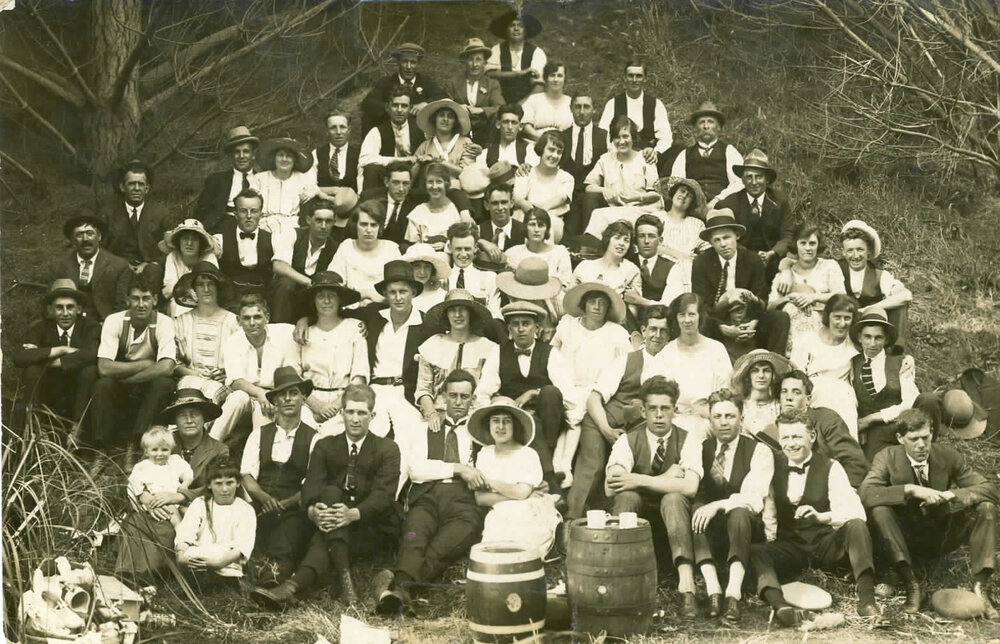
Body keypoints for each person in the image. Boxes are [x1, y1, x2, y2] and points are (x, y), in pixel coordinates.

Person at [253, 384, 401, 606]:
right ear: (342, 414)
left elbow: (384, 495)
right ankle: (343, 583)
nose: (355, 419)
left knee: (327, 535)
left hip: (369, 525)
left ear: (372, 415)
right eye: (350, 412)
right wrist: (313, 511)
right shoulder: (326, 446)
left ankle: (294, 585)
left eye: (362, 413)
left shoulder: (387, 448)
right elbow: (312, 485)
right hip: (330, 521)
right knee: (330, 494)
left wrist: (352, 514)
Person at [860, 408, 1000, 617]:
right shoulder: (887, 457)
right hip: (904, 537)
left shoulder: (947, 455)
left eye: (925, 437)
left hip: (941, 533)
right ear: (900, 438)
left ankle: (981, 587)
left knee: (986, 506)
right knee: (879, 510)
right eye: (913, 439)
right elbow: (866, 494)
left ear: (932, 433)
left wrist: (951, 496)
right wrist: (910, 490)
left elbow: (989, 488)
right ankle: (911, 585)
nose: (921, 445)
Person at [376, 369, 487, 615]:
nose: (458, 402)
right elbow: (416, 469)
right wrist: (459, 468)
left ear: (473, 399)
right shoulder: (425, 428)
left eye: (465, 397)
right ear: (442, 397)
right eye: (453, 395)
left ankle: (398, 587)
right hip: (427, 496)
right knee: (415, 534)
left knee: (444, 545)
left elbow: (485, 471)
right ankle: (402, 590)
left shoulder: (480, 433)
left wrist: (471, 474)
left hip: (463, 503)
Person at [753, 410, 877, 626]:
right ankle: (780, 606)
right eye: (785, 437)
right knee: (755, 551)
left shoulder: (831, 466)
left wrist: (823, 517)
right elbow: (769, 509)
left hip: (824, 544)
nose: (790, 444)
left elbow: (855, 511)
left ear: (812, 437)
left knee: (856, 526)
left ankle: (867, 600)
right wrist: (772, 546)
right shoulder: (773, 465)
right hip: (792, 545)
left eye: (797, 437)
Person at [604, 376, 704, 617]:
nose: (659, 415)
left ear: (675, 410)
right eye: (653, 409)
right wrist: (667, 479)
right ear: (643, 410)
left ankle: (687, 586)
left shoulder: (688, 439)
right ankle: (621, 580)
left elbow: (690, 488)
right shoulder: (628, 440)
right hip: (639, 530)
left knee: (673, 497)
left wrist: (637, 479)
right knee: (627, 497)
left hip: (676, 528)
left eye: (665, 409)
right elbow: (611, 487)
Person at [566, 305, 671, 520]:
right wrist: (605, 429)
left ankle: (623, 521)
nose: (657, 335)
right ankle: (573, 521)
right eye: (653, 329)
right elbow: (594, 399)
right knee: (593, 465)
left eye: (664, 331)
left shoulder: (674, 364)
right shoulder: (626, 360)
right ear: (643, 331)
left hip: (641, 430)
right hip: (604, 422)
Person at [115, 389, 229, 579]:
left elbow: (218, 485)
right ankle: (126, 572)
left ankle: (145, 574)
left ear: (205, 419)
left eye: (195, 414)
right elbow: (140, 474)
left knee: (166, 528)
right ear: (175, 421)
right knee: (137, 521)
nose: (189, 420)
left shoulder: (219, 449)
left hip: (191, 510)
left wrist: (180, 495)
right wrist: (145, 497)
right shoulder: (161, 442)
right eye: (182, 415)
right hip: (152, 504)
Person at [476, 301, 574, 496]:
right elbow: (483, 392)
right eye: (515, 324)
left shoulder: (550, 353)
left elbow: (568, 396)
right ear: (508, 328)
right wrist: (497, 407)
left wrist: (534, 393)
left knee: (550, 392)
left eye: (526, 323)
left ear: (537, 327)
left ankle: (548, 477)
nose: (521, 329)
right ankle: (550, 480)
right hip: (513, 416)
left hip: (548, 420)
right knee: (530, 421)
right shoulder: (498, 352)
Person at [692, 389, 774, 621]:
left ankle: (733, 593)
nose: (724, 422)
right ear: (710, 420)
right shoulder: (702, 448)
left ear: (741, 418)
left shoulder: (758, 450)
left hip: (746, 530)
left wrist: (717, 504)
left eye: (730, 416)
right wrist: (706, 507)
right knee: (696, 507)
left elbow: (754, 498)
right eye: (717, 417)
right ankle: (713, 590)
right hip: (713, 532)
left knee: (739, 510)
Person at [241, 366, 320, 585]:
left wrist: (283, 504)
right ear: (274, 401)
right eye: (282, 395)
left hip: (293, 508)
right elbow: (247, 476)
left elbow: (312, 483)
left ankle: (274, 577)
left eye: (293, 393)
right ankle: (252, 570)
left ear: (303, 398)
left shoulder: (314, 438)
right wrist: (265, 499)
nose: (287, 399)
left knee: (289, 532)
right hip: (261, 504)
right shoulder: (258, 435)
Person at [91, 274, 176, 468]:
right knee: (103, 384)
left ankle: (136, 445)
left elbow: (167, 366)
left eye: (146, 298)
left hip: (143, 385)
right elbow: (104, 367)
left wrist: (128, 378)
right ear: (127, 300)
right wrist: (144, 364)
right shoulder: (114, 321)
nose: (141, 304)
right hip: (121, 386)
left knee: (164, 383)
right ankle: (102, 448)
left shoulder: (164, 323)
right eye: (135, 298)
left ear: (155, 300)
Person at [347, 260, 431, 439]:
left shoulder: (426, 324)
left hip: (405, 392)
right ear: (385, 294)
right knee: (369, 433)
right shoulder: (373, 315)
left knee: (411, 436)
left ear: (413, 293)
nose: (398, 297)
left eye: (403, 292)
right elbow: (334, 313)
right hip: (374, 389)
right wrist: (304, 320)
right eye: (392, 292)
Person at [472, 396, 561, 558]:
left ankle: (521, 559)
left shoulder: (528, 454)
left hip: (528, 510)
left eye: (507, 421)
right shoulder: (485, 454)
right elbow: (481, 498)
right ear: (489, 425)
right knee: (498, 517)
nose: (500, 426)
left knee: (518, 515)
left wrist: (491, 483)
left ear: (515, 425)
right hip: (499, 511)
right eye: (495, 421)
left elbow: (521, 492)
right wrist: (518, 495)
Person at [691, 209, 790, 353]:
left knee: (779, 318)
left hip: (749, 318)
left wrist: (753, 323)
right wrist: (721, 327)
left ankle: (774, 361)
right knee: (698, 321)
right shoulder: (702, 262)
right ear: (710, 242)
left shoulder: (752, 259)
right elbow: (703, 304)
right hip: (718, 320)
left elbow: (761, 298)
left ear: (736, 236)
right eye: (716, 240)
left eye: (727, 237)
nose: (723, 244)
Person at [215, 294, 301, 440]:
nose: (252, 323)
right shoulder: (232, 342)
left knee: (263, 412)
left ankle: (259, 455)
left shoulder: (285, 334)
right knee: (238, 397)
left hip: (276, 395)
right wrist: (261, 394)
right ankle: (211, 444)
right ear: (239, 321)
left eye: (257, 317)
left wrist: (303, 321)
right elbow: (236, 381)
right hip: (248, 396)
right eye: (246, 318)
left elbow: (292, 374)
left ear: (267, 317)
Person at [13, 279, 100, 423]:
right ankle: (35, 423)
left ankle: (78, 427)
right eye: (59, 307)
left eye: (70, 307)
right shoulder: (40, 328)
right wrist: (62, 349)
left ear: (78, 309)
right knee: (32, 370)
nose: (65, 313)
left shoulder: (90, 327)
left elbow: (93, 354)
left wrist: (47, 358)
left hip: (78, 390)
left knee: (89, 371)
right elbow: (20, 357)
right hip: (50, 389)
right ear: (50, 310)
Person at [415, 290, 500, 429]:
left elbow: (488, 389)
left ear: (471, 314)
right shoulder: (432, 345)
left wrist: (477, 417)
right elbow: (423, 389)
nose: (458, 315)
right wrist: (431, 413)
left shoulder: (488, 348)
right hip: (438, 414)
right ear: (446, 315)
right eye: (452, 310)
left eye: (463, 310)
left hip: (474, 415)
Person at [298, 272, 367, 436]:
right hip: (308, 401)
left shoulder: (354, 328)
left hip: (345, 399)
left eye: (332, 296)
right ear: (313, 301)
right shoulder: (303, 332)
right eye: (321, 296)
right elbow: (295, 375)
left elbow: (359, 377)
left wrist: (336, 405)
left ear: (340, 300)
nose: (326, 301)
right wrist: (315, 404)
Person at [774, 370, 869, 487]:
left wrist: (847, 490)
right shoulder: (776, 426)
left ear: (808, 399)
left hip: (831, 487)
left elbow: (853, 461)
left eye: (796, 392)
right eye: (784, 392)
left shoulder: (827, 419)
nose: (789, 398)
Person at [848, 308, 919, 461]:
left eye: (878, 338)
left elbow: (911, 403)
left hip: (902, 424)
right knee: (877, 467)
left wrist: (872, 418)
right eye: (867, 337)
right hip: (874, 433)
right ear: (859, 337)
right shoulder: (851, 363)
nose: (872, 343)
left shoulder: (900, 362)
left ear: (886, 339)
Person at [175, 456, 256, 583]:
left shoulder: (245, 509)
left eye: (230, 482)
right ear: (209, 484)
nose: (225, 489)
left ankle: (220, 582)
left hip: (226, 561)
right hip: (199, 555)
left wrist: (218, 563)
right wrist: (181, 555)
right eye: (218, 483)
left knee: (220, 556)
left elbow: (243, 545)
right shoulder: (200, 503)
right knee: (192, 555)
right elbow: (186, 532)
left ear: (238, 483)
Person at [789, 294, 861, 438]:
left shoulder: (855, 343)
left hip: (842, 393)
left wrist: (906, 359)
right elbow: (798, 373)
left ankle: (848, 452)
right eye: (837, 317)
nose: (842, 323)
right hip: (813, 389)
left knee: (845, 402)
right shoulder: (808, 339)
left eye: (847, 318)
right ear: (828, 316)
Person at [715, 149, 794, 281]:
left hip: (773, 261)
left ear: (767, 179)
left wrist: (772, 253)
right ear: (742, 180)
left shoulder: (779, 201)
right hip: (740, 261)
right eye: (749, 177)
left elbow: (788, 234)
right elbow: (725, 236)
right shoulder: (730, 203)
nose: (754, 182)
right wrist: (751, 257)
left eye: (758, 177)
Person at [270, 194, 350, 323]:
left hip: (313, 300)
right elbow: (278, 265)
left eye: (328, 221)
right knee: (286, 283)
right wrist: (308, 282)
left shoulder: (336, 248)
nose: (323, 226)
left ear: (334, 223)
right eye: (318, 220)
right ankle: (279, 330)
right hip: (286, 295)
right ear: (308, 220)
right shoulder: (293, 234)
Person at [660, 293, 733, 434]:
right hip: (675, 418)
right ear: (676, 318)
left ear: (700, 316)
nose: (687, 320)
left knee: (695, 430)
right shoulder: (667, 353)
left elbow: (726, 391)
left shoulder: (716, 349)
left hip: (709, 419)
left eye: (692, 314)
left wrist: (708, 410)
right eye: (682, 315)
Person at [172, 262, 239, 410]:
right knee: (187, 393)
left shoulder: (234, 322)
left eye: (211, 284)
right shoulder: (181, 322)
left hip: (222, 383)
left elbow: (243, 358)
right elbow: (174, 362)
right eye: (201, 285)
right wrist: (193, 372)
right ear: (194, 289)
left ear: (218, 287)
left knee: (211, 396)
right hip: (190, 378)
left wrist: (227, 374)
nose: (206, 289)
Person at [768, 223, 846, 350]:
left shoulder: (829, 266)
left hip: (821, 327)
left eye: (812, 243)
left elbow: (841, 296)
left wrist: (813, 298)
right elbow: (770, 307)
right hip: (792, 333)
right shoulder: (784, 274)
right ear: (796, 245)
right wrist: (789, 298)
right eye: (803, 243)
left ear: (818, 245)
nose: (808, 248)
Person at [581, 116, 661, 237]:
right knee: (596, 209)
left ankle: (586, 247)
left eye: (625, 136)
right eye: (617, 137)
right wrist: (604, 190)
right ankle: (589, 247)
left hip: (641, 210)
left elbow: (656, 195)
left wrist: (636, 197)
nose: (621, 141)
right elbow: (588, 187)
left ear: (633, 137)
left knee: (599, 215)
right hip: (614, 210)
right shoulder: (606, 159)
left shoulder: (644, 159)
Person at [99, 159, 174, 285]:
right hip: (117, 267)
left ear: (147, 188)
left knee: (153, 272)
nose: (137, 188)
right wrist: (120, 264)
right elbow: (99, 247)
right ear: (123, 187)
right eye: (132, 184)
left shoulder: (161, 213)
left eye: (141, 184)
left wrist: (151, 263)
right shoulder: (108, 213)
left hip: (149, 268)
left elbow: (171, 248)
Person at [839, 219, 912, 344]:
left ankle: (895, 353)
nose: (855, 256)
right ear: (843, 252)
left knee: (899, 307)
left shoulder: (880, 275)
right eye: (850, 250)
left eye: (860, 249)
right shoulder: (835, 269)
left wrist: (868, 309)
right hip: (841, 325)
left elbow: (905, 296)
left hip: (870, 330)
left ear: (868, 251)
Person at [51, 213, 131, 321]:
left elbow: (121, 305)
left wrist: (108, 325)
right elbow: (52, 302)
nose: (85, 239)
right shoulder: (60, 266)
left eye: (90, 233)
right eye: (79, 235)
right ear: (72, 240)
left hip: (104, 323)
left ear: (99, 237)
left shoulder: (118, 266)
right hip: (71, 322)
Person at [597, 61, 673, 168]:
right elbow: (603, 135)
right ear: (625, 78)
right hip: (618, 158)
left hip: (647, 160)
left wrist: (655, 152)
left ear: (645, 79)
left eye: (638, 76)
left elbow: (666, 137)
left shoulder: (656, 104)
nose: (634, 80)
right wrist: (616, 153)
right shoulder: (612, 104)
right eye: (630, 76)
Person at [669, 101, 744, 206]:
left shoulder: (729, 151)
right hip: (691, 206)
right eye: (701, 122)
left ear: (719, 127)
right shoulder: (685, 154)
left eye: (710, 122)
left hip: (722, 206)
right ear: (695, 128)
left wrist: (717, 200)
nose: (706, 126)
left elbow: (739, 183)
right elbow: (675, 183)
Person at [328, 200, 401, 305]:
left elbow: (399, 287)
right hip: (351, 307)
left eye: (374, 225)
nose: (368, 230)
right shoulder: (346, 247)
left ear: (380, 227)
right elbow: (334, 282)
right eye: (363, 224)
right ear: (355, 225)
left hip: (384, 307)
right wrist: (363, 295)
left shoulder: (391, 249)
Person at [360, 42, 443, 134]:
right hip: (390, 132)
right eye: (405, 61)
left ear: (418, 64)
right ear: (398, 62)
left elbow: (443, 97)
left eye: (413, 62)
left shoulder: (425, 82)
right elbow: (368, 103)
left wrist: (426, 104)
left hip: (417, 135)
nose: (408, 67)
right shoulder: (387, 82)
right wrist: (391, 108)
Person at [654, 178, 709, 304]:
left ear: (692, 202)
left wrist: (697, 258)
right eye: (682, 191)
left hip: (687, 271)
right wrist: (682, 256)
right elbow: (654, 247)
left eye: (689, 196)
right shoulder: (658, 217)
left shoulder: (696, 224)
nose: (684, 196)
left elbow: (707, 252)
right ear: (673, 194)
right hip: (660, 267)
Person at [194, 126, 260, 233]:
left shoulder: (262, 180)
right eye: (237, 152)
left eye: (246, 151)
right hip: (221, 230)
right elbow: (201, 212)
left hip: (254, 229)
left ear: (253, 155)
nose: (241, 156)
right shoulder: (216, 180)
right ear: (231, 155)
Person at [513, 131, 575, 242]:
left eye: (559, 152)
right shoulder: (526, 173)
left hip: (553, 224)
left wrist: (535, 209)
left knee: (545, 221)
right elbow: (517, 198)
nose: (555, 155)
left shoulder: (566, 178)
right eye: (551, 150)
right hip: (526, 217)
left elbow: (560, 198)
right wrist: (523, 203)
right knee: (519, 216)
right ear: (541, 149)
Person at [559, 94, 608, 236]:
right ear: (571, 109)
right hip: (570, 198)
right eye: (577, 107)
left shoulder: (605, 137)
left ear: (594, 110)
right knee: (569, 235)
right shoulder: (562, 137)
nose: (581, 112)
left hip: (594, 198)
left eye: (586, 107)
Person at [359, 89, 425, 192]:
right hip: (387, 180)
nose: (399, 110)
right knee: (371, 168)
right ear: (387, 107)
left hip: (413, 176)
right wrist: (401, 160)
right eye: (395, 105)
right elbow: (365, 159)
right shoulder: (377, 131)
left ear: (410, 108)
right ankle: (370, 204)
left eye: (404, 106)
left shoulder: (421, 130)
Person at [212, 189, 275, 296]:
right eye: (243, 211)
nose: (249, 216)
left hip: (264, 297)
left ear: (261, 214)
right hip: (231, 298)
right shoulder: (220, 239)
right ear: (235, 214)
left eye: (254, 211)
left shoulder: (273, 239)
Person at [250, 137, 316, 237]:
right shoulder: (259, 179)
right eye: (280, 155)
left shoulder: (302, 179)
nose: (284, 159)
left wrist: (311, 193)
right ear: (274, 157)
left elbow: (315, 189)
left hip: (292, 227)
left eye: (289, 156)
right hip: (264, 227)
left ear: (294, 160)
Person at [444, 38, 506, 145]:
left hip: (484, 133)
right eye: (470, 59)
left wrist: (481, 110)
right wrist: (458, 108)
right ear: (465, 61)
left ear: (484, 63)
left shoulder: (492, 84)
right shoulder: (453, 83)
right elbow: (444, 103)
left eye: (478, 59)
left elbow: (500, 107)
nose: (474, 64)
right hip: (459, 130)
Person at [129, 426, 193, 527]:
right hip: (158, 502)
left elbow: (187, 473)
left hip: (175, 499)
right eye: (154, 450)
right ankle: (181, 534)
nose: (160, 454)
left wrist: (185, 484)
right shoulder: (142, 467)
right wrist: (140, 498)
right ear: (146, 452)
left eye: (164, 450)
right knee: (175, 516)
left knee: (190, 513)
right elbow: (134, 485)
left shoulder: (174, 461)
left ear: (171, 450)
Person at [412, 99, 480, 196]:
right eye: (441, 115)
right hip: (429, 194)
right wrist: (419, 162)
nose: (445, 119)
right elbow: (411, 176)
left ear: (455, 122)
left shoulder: (465, 143)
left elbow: (465, 173)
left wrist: (438, 161)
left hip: (458, 194)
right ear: (434, 119)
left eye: (450, 116)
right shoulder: (425, 145)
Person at [572, 220, 643, 308]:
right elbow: (570, 297)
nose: (621, 243)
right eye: (617, 238)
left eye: (626, 240)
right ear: (607, 239)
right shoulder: (585, 266)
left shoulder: (631, 270)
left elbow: (634, 304)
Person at [159, 219, 220, 317]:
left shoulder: (209, 257)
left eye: (194, 239)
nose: (189, 243)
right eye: (185, 238)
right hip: (179, 303)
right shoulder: (173, 256)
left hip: (205, 302)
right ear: (178, 241)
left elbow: (212, 286)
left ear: (201, 243)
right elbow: (168, 290)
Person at [485, 10, 546, 106]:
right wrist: (518, 73)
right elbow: (489, 74)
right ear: (506, 30)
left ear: (525, 31)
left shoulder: (537, 52)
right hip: (500, 100)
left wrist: (522, 105)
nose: (516, 29)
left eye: (520, 26)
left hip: (528, 102)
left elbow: (539, 86)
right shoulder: (497, 50)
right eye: (512, 25)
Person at [444, 221, 502, 317]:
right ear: (450, 247)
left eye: (467, 249)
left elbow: (494, 315)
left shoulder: (489, 278)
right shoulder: (444, 278)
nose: (463, 254)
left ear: (475, 248)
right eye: (458, 249)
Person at [505, 208, 573, 289]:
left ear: (547, 229)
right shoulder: (513, 253)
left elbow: (564, 286)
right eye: (532, 224)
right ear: (525, 227)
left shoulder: (560, 252)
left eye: (541, 225)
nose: (536, 230)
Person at [406, 163, 468, 250]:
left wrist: (446, 247)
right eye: (430, 182)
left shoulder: (456, 209)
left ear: (446, 183)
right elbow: (412, 245)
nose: (434, 187)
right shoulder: (418, 212)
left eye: (439, 181)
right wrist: (427, 247)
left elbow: (464, 241)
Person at [730, 349, 790, 439]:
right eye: (755, 371)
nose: (761, 375)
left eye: (766, 371)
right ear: (748, 375)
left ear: (773, 375)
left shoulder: (780, 407)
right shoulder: (739, 406)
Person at [360, 160, 422, 247]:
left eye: (405, 183)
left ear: (411, 184)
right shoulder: (369, 197)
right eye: (396, 183)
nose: (401, 189)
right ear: (386, 182)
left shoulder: (417, 200)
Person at [306, 108, 361, 192]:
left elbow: (362, 187)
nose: (338, 132)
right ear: (327, 131)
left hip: (352, 203)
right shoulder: (316, 154)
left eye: (342, 127)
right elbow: (310, 186)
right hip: (322, 202)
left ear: (349, 130)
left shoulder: (360, 154)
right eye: (333, 128)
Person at [475, 104, 539, 171]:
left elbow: (535, 174)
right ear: (498, 124)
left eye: (514, 122)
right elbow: (481, 177)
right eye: (505, 122)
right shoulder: (486, 152)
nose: (510, 127)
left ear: (520, 126)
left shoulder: (528, 150)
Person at [520, 62, 573, 141]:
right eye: (552, 75)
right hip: (534, 144)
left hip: (563, 146)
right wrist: (544, 140)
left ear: (565, 79)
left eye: (559, 76)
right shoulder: (534, 99)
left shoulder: (571, 102)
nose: (555, 79)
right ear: (545, 78)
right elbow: (525, 126)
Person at [477, 184, 526, 267]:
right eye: (495, 203)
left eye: (504, 202)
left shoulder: (524, 231)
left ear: (511, 203)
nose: (500, 208)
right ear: (486, 205)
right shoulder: (479, 230)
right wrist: (482, 242)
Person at [633, 214, 676, 305]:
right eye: (641, 236)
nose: (646, 241)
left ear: (660, 240)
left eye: (651, 236)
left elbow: (670, 303)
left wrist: (640, 301)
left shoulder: (671, 267)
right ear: (635, 240)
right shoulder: (626, 262)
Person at [402, 243, 450, 313]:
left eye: (427, 266)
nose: (422, 272)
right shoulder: (400, 295)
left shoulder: (441, 296)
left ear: (432, 270)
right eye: (417, 266)